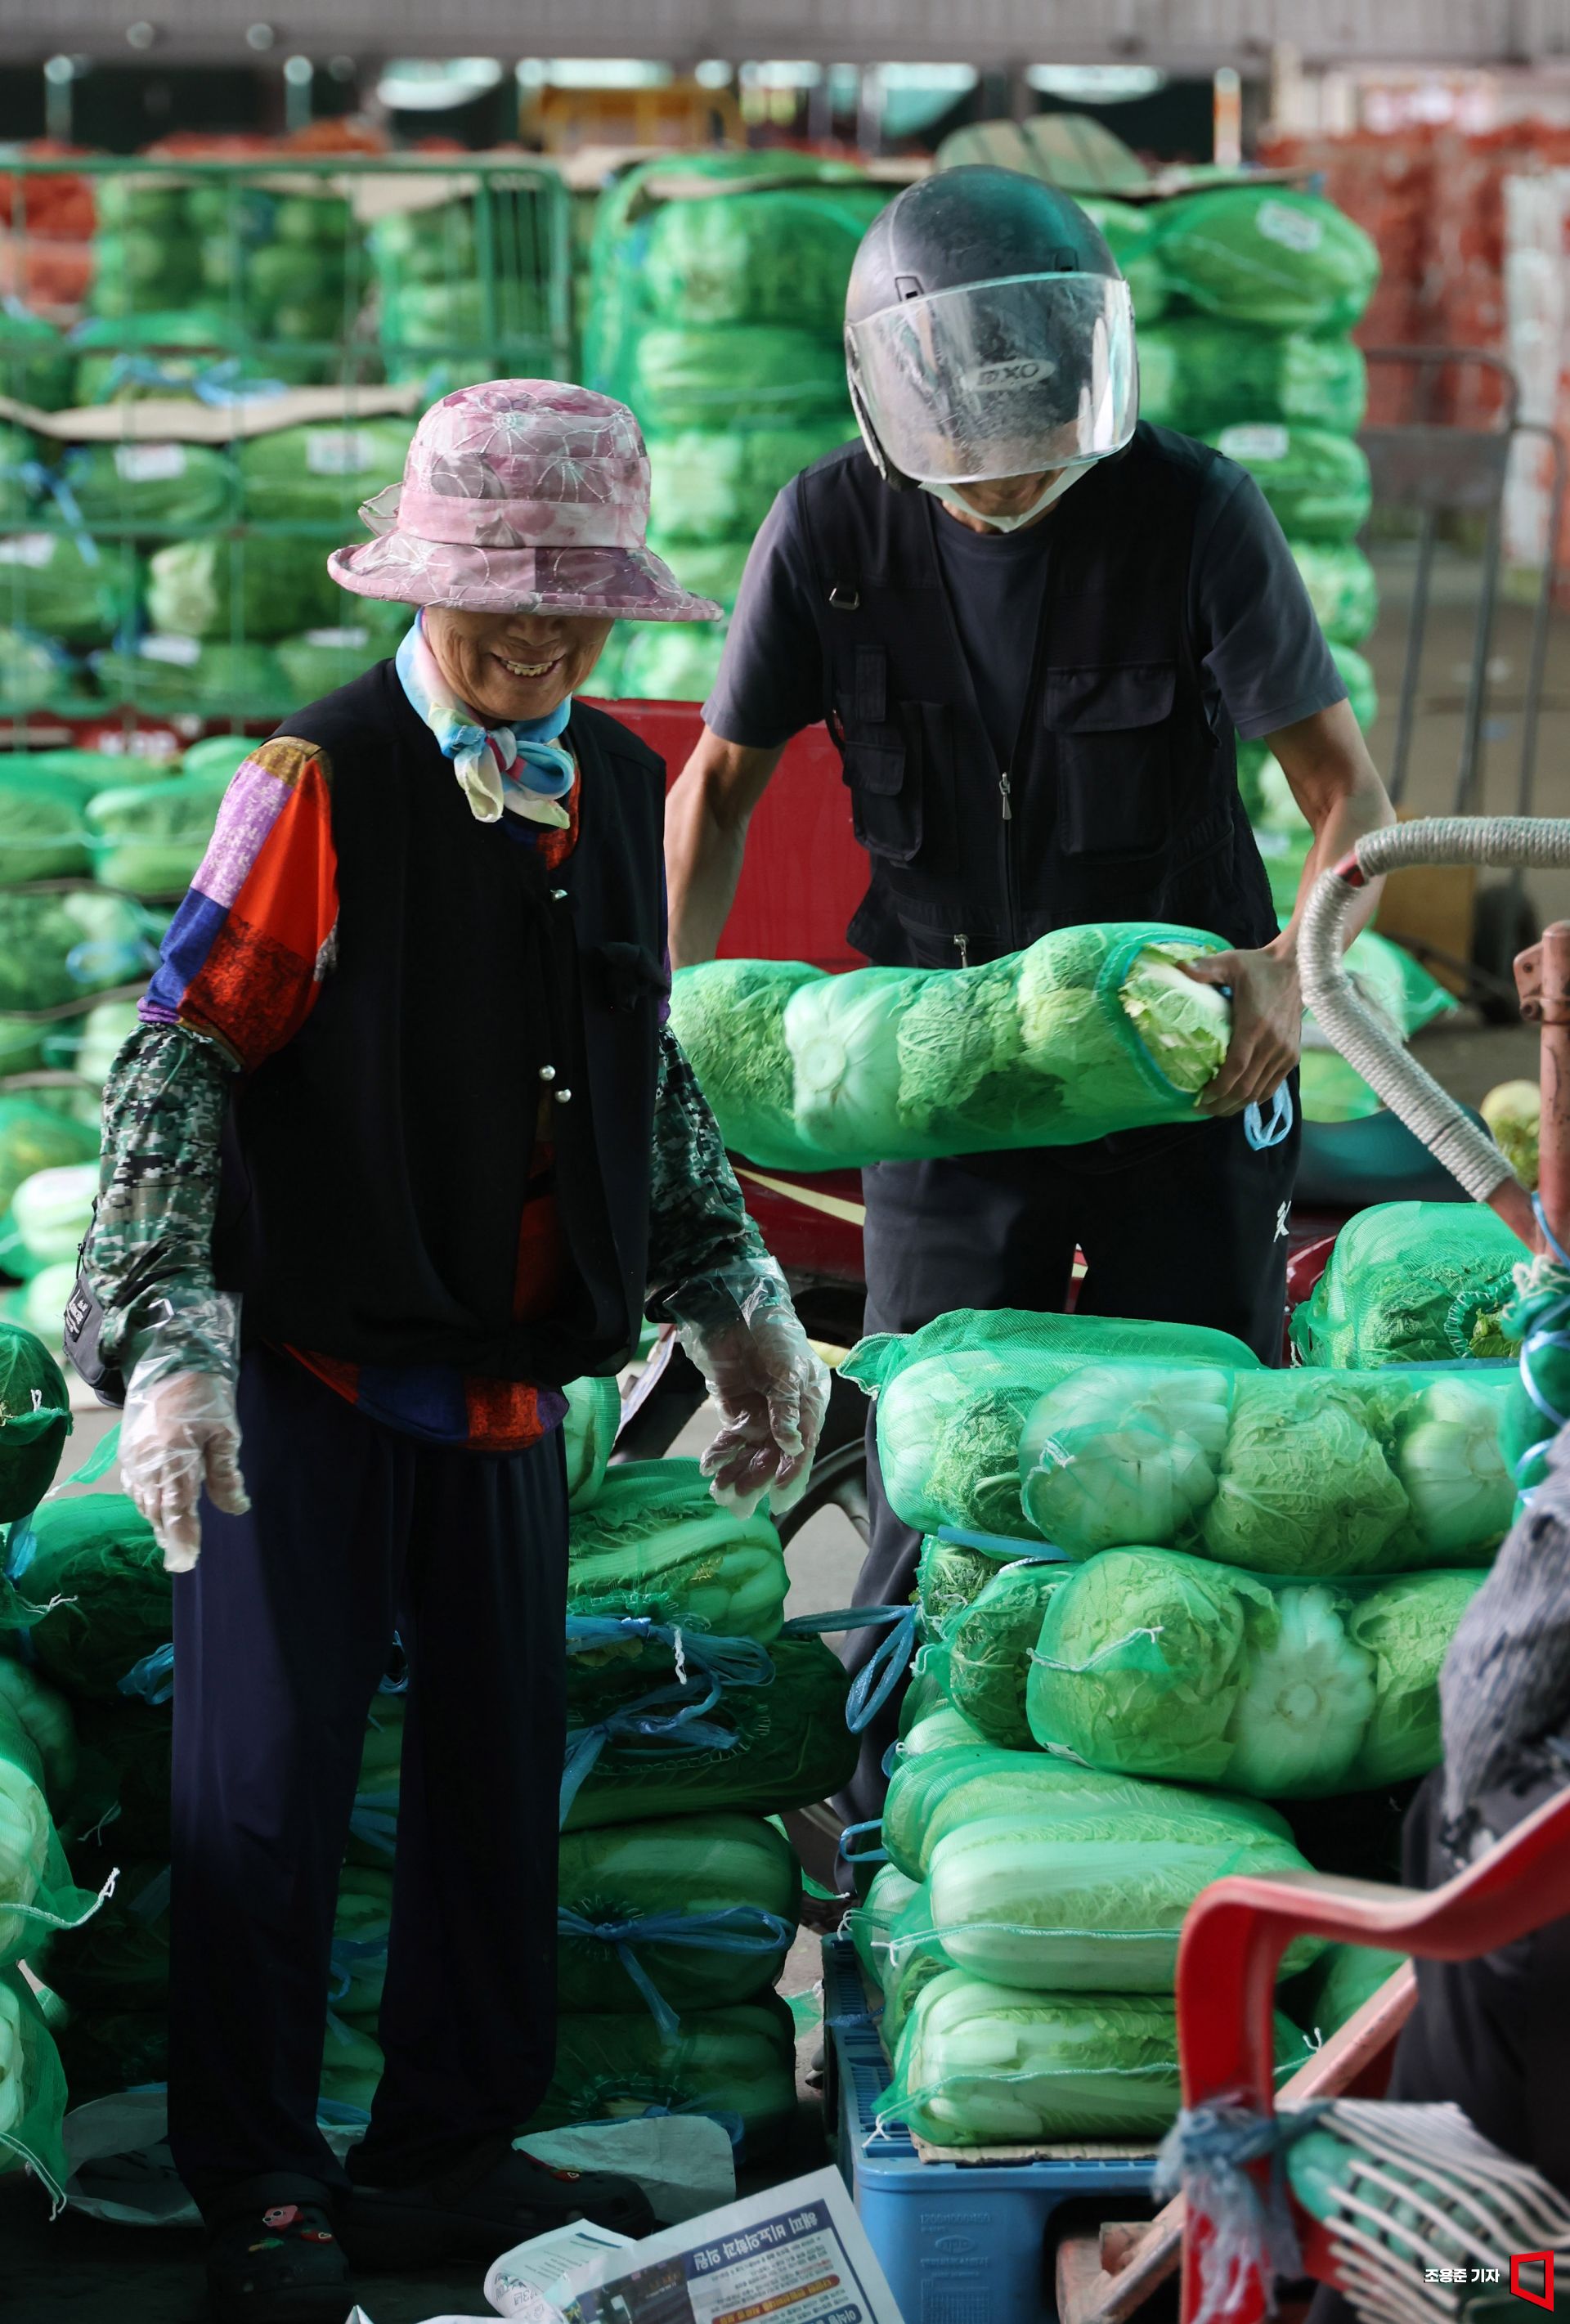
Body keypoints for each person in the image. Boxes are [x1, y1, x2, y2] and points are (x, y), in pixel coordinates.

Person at [77, 380, 829, 2324]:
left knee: (503, 1777)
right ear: (419, 586)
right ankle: (262, 2175)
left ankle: (442, 2141)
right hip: (312, 1371)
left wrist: (734, 1291)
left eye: (571, 612)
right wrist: (166, 1338)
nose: (533, 643)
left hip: (505, 1374)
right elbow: (180, 1055)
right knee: (266, 1779)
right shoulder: (316, 781)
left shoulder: (614, 787)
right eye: (499, 602)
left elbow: (640, 1083)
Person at [664, 166, 1397, 1818]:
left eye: (1041, 438)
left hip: (1193, 1052)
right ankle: (913, 1793)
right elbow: (710, 791)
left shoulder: (1195, 510)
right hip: (944, 1060)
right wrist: (669, 1015)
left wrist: (1292, 970)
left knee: (1204, 1426)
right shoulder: (829, 527)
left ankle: (1212, 1789)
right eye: (974, 459)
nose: (1010, 480)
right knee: (934, 1436)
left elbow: (1350, 793)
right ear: (895, 398)